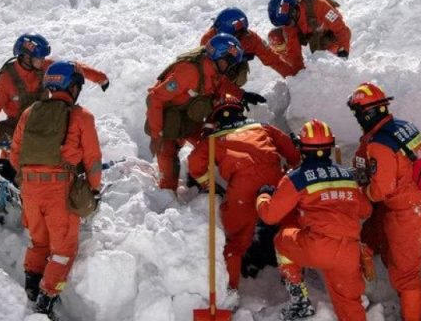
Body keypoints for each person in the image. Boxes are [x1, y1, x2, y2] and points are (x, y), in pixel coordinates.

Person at [9, 61, 102, 319]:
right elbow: (93, 160)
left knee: (40, 242)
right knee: (63, 250)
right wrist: (93, 190)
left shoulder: (30, 112)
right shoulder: (82, 117)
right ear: (72, 87)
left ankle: (31, 289)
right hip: (58, 190)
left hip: (29, 188)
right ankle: (46, 300)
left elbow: (15, 156)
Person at [256, 119, 372, 321]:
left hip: (318, 247)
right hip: (349, 252)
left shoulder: (297, 178)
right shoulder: (346, 176)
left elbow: (269, 215)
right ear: (330, 148)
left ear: (301, 148)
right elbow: (366, 210)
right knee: (349, 304)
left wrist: (264, 196)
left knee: (282, 240)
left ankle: (299, 301)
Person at [187, 93, 301, 290]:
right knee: (289, 228)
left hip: (242, 189)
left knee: (236, 242)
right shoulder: (263, 128)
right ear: (240, 111)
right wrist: (290, 170)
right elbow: (292, 152)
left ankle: (230, 289)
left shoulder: (213, 139)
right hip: (276, 183)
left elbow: (194, 164)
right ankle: (295, 282)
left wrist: (209, 185)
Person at [347, 82, 421, 321]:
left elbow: (381, 191)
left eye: (358, 114)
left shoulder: (379, 144)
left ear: (366, 114)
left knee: (405, 276)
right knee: (388, 250)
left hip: (408, 212)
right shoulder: (404, 127)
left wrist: (362, 191)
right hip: (419, 201)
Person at [145, 34, 266, 191]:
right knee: (168, 155)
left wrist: (242, 95)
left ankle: (205, 179)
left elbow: (222, 85)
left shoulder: (214, 69)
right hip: (168, 116)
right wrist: (156, 135)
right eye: (228, 63)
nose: (229, 68)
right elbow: (155, 98)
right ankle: (167, 194)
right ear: (218, 56)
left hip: (190, 115)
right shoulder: (189, 72)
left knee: (212, 145)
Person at [0, 33, 109, 151]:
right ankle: (7, 164)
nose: (43, 60)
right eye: (39, 57)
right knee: (3, 132)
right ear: (26, 57)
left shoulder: (44, 67)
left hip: (44, 121)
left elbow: (72, 68)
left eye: (43, 57)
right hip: (18, 127)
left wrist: (100, 78)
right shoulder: (6, 80)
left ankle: (72, 158)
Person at [200, 7, 297, 82]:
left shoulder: (250, 39)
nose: (219, 36)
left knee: (241, 76)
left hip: (234, 68)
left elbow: (272, 58)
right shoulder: (208, 40)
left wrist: (294, 76)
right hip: (215, 71)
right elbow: (206, 72)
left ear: (238, 34)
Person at [266, 0, 352, 75]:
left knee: (321, 64)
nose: (287, 26)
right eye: (284, 24)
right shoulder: (289, 23)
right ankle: (291, 72)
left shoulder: (320, 5)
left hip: (330, 37)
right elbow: (294, 52)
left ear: (293, 11)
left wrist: (343, 54)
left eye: (288, 22)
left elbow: (342, 31)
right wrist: (300, 75)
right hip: (311, 34)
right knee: (275, 37)